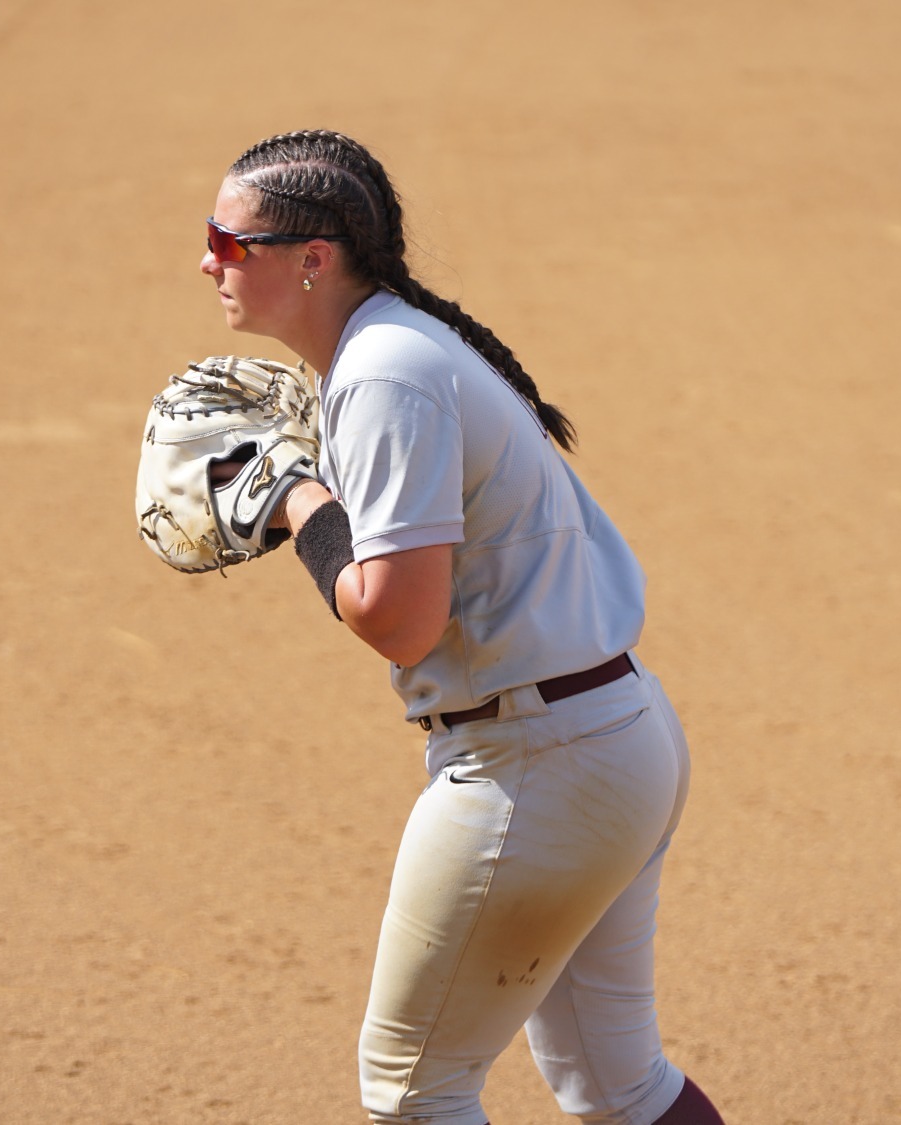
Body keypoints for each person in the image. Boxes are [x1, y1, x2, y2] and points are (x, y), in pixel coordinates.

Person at [199, 129, 725, 1125]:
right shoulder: (395, 348)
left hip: (536, 766)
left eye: (228, 241)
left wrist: (296, 505)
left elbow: (399, 621)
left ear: (312, 260)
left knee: (412, 1094)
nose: (207, 261)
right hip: (615, 735)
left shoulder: (383, 375)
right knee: (618, 1087)